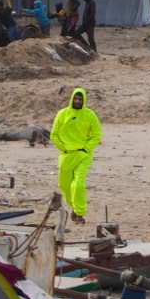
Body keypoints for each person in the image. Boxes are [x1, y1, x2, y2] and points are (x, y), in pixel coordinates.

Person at [50, 86, 101, 222]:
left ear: (84, 100)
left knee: (78, 184)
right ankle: (74, 207)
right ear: (72, 99)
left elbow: (96, 135)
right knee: (64, 185)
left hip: (83, 155)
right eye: (76, 99)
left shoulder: (90, 115)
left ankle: (79, 212)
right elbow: (54, 135)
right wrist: (64, 148)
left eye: (80, 99)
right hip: (66, 155)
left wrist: (86, 149)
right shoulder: (62, 114)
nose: (78, 101)